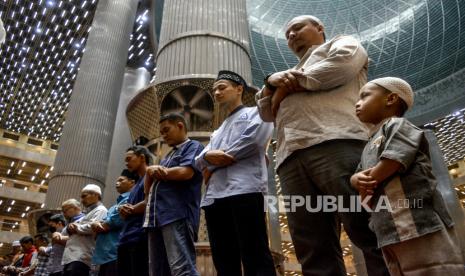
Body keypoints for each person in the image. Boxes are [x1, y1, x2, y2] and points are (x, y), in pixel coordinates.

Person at [255, 15, 388, 275]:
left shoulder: (342, 43)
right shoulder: (282, 76)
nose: (292, 35)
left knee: (368, 227)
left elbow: (337, 69)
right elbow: (264, 111)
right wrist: (273, 82)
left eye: (297, 28)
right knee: (311, 245)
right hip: (290, 157)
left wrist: (282, 90)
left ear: (319, 28)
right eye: (288, 34)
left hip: (337, 140)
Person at [351, 77, 465, 275]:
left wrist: (368, 184)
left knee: (435, 267)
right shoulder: (368, 145)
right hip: (388, 227)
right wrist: (356, 180)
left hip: (420, 220)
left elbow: (395, 158)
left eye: (365, 96)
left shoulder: (397, 125)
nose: (357, 103)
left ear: (391, 99)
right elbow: (358, 174)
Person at [195, 70, 276, 275]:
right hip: (214, 196)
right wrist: (207, 159)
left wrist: (210, 163)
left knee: (254, 253)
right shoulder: (218, 130)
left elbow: (253, 141)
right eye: (214, 90)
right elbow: (199, 159)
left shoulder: (256, 113)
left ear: (239, 89)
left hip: (246, 190)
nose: (217, 92)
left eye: (222, 87)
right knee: (223, 258)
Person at [144, 113, 204, 276]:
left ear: (180, 126)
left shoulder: (193, 146)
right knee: (157, 270)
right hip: (156, 217)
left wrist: (156, 172)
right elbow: (147, 189)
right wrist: (151, 172)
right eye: (161, 132)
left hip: (177, 214)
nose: (163, 135)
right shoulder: (167, 156)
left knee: (182, 269)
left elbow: (186, 172)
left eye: (166, 130)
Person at [91, 169, 138, 276]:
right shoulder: (114, 206)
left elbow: (107, 225)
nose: (117, 183)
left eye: (121, 180)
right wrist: (97, 225)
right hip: (105, 254)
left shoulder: (131, 198)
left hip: (115, 253)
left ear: (132, 182)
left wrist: (96, 225)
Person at [117, 146, 152, 276]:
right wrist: (123, 210)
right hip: (126, 237)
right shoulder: (137, 185)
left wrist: (129, 210)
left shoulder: (151, 175)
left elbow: (151, 202)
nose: (126, 163)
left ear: (142, 158)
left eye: (129, 159)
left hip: (140, 236)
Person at [61, 184, 108, 276]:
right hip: (71, 257)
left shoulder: (101, 210)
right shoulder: (87, 213)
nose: (82, 200)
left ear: (96, 195)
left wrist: (77, 227)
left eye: (84, 196)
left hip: (81, 256)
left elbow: (93, 227)